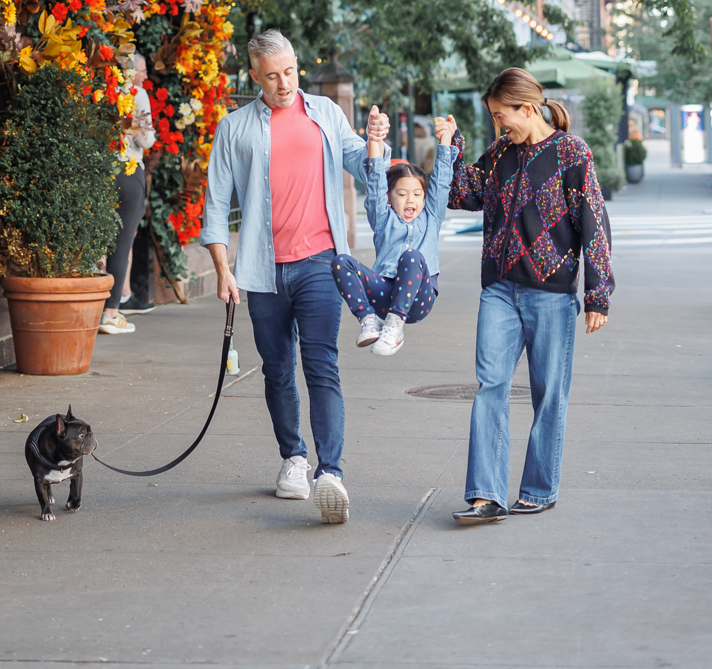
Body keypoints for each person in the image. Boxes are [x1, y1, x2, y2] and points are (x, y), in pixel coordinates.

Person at [201, 29, 390, 525]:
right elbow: (217, 204)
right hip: (262, 272)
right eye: (272, 76)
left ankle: (331, 473)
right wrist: (224, 270)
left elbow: (360, 164)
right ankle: (294, 459)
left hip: (322, 264)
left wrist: (373, 146)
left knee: (321, 365)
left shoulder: (326, 112)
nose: (284, 83)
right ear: (255, 77)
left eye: (290, 71)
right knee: (277, 370)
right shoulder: (235, 128)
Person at [444, 67, 614, 525]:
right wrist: (451, 148)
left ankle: (539, 489)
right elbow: (462, 194)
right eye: (496, 119)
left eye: (503, 117)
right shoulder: (500, 153)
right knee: (490, 386)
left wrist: (598, 294)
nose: (500, 126)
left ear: (529, 108)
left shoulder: (571, 153)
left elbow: (594, 224)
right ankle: (486, 495)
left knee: (548, 394)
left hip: (551, 295)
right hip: (500, 289)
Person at [332, 114, 460, 356]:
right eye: (402, 194)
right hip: (384, 297)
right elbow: (376, 182)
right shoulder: (383, 218)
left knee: (411, 256)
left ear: (424, 197)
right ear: (390, 198)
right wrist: (374, 140)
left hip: (419, 299)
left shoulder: (430, 217)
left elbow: (442, 181)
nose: (410, 200)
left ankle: (395, 327)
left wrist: (445, 140)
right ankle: (369, 320)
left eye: (416, 194)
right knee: (340, 262)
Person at [99, 53, 156, 336]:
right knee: (121, 245)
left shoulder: (102, 90)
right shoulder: (139, 94)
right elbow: (146, 139)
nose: (145, 76)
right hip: (129, 171)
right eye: (142, 71)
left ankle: (93, 305)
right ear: (130, 72)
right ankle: (111, 312)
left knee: (99, 242)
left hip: (102, 172)